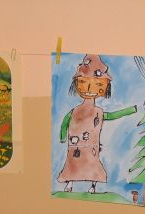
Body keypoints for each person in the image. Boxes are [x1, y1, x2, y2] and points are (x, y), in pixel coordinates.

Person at [57, 54, 137, 194]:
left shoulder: (98, 112)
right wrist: (63, 136)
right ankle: (69, 183)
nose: (89, 88)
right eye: (84, 83)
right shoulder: (74, 112)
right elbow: (65, 122)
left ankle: (93, 186)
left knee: (93, 164)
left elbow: (112, 116)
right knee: (73, 163)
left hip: (91, 148)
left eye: (97, 84)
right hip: (75, 146)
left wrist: (130, 110)